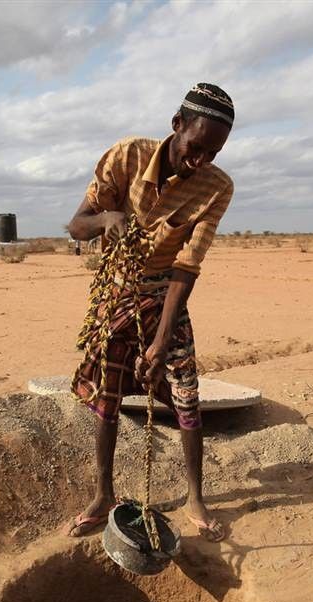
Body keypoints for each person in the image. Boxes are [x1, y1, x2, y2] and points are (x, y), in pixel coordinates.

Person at [66, 82, 234, 541]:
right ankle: (103, 495)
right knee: (108, 395)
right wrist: (107, 219)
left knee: (184, 391)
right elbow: (77, 225)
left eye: (213, 153)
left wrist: (161, 340)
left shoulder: (217, 188)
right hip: (117, 291)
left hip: (167, 294)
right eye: (196, 147)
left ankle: (196, 496)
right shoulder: (125, 157)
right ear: (177, 125)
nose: (200, 161)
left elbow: (187, 265)